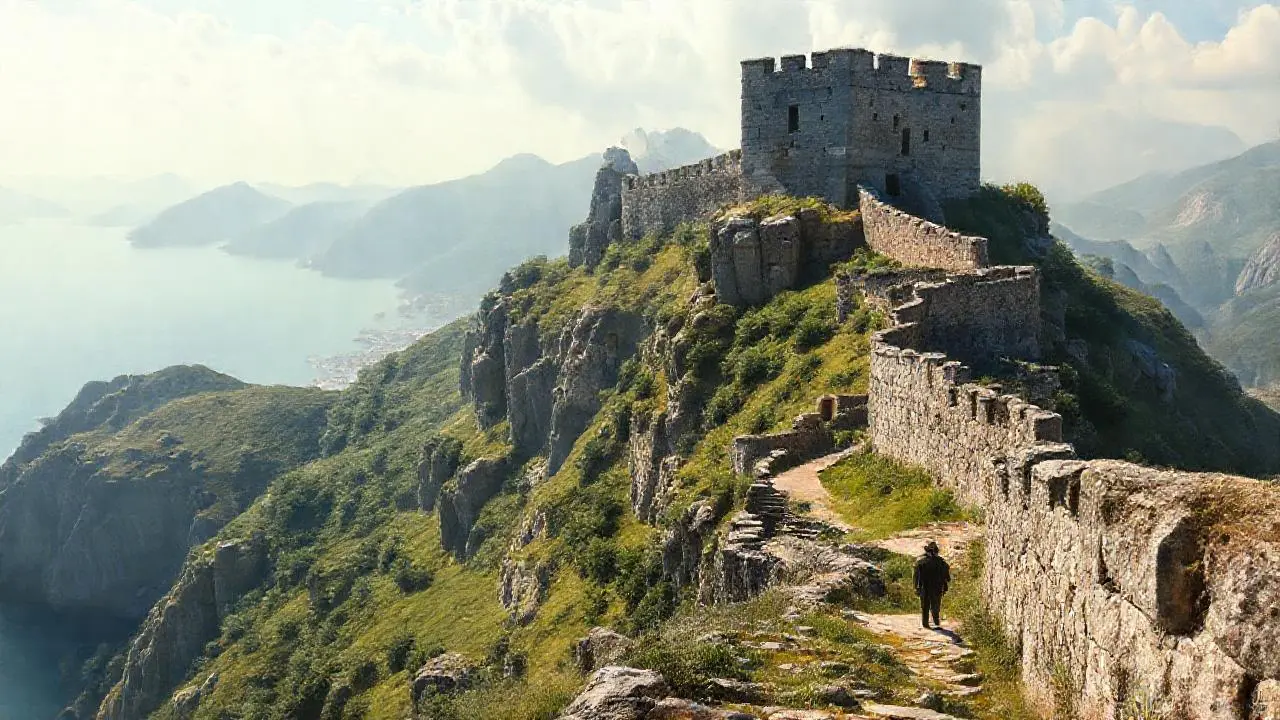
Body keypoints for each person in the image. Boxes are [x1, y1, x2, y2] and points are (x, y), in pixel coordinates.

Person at [913, 540, 951, 629]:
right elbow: (947, 578)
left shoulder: (920, 563)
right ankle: (936, 620)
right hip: (936, 587)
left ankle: (926, 623)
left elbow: (916, 577)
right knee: (936, 604)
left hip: (925, 587)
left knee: (925, 606)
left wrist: (916, 587)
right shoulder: (942, 563)